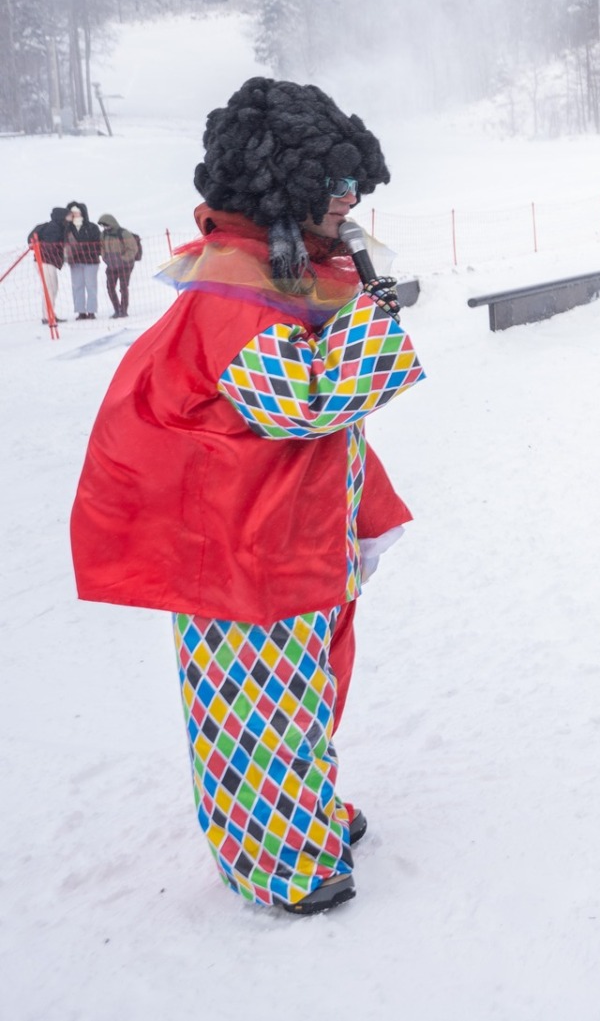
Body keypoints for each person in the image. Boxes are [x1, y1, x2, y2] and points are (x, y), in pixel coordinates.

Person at [71, 77, 422, 916]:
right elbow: (302, 401)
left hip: (298, 538)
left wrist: (363, 508)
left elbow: (330, 427)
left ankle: (306, 812)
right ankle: (277, 856)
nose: (350, 199)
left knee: (306, 689)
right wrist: (371, 323)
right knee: (256, 706)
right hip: (242, 551)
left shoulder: (285, 270)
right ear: (283, 186)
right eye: (335, 182)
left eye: (354, 181)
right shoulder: (233, 288)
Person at [97, 213, 143, 319]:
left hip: (125, 266)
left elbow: (132, 249)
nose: (105, 227)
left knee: (123, 287)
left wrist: (123, 259)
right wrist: (105, 258)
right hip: (111, 265)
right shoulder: (103, 235)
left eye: (106, 225)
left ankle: (124, 310)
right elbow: (102, 247)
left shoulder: (123, 233)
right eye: (103, 225)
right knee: (110, 287)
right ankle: (117, 309)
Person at [28, 206, 67, 323]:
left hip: (46, 261)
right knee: (50, 288)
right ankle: (48, 316)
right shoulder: (54, 229)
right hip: (45, 261)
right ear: (61, 217)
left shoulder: (52, 227)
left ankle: (49, 314)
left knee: (52, 288)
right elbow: (53, 246)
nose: (70, 218)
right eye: (67, 215)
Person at [64, 201, 103, 320]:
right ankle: (80, 311)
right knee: (77, 286)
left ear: (83, 212)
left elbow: (98, 243)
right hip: (75, 262)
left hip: (91, 261)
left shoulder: (92, 227)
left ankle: (91, 311)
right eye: (73, 212)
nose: (75, 214)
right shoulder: (67, 229)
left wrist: (90, 251)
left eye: (77, 212)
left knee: (91, 286)